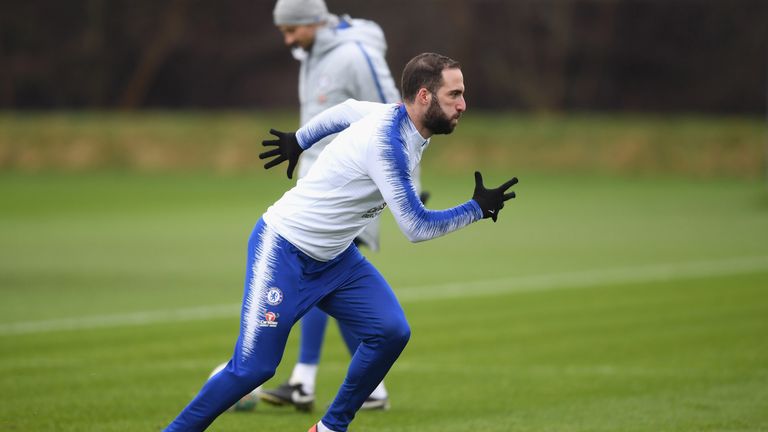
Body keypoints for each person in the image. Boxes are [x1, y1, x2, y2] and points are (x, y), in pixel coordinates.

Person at [164, 52, 518, 432]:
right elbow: (416, 227)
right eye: (455, 94)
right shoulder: (388, 145)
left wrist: (299, 140)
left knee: (391, 332)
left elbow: (345, 110)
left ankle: (330, 427)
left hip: (335, 259)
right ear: (424, 97)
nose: (463, 104)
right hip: (283, 249)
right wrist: (476, 209)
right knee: (255, 368)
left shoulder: (397, 118)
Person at [257, 0, 411, 411]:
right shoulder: (312, 53)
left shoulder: (354, 56)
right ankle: (371, 390)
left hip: (353, 186)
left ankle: (304, 381)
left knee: (320, 277)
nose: (288, 40)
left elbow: (400, 117)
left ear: (312, 22)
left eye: (292, 31)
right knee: (328, 283)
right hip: (317, 189)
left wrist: (407, 185)